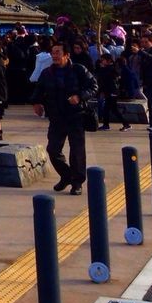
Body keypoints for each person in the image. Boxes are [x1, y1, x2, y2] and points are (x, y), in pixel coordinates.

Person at [32, 43, 97, 196]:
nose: (54, 55)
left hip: (76, 116)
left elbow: (93, 86)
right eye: (52, 52)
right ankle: (67, 175)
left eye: (57, 52)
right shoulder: (47, 73)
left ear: (66, 55)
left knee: (77, 151)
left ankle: (77, 182)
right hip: (56, 117)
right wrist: (36, 102)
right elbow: (39, 89)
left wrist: (80, 96)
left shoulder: (78, 70)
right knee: (53, 150)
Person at [95, 52, 130, 131]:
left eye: (103, 60)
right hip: (108, 91)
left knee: (113, 109)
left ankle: (125, 124)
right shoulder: (107, 68)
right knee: (108, 109)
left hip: (112, 91)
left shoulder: (111, 69)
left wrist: (102, 68)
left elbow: (105, 77)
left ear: (108, 61)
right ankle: (106, 125)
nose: (102, 62)